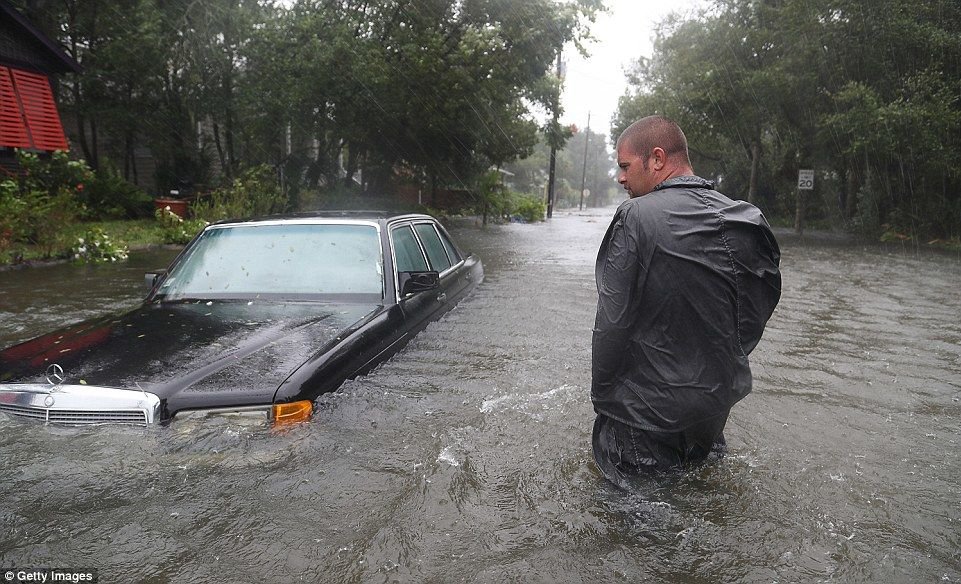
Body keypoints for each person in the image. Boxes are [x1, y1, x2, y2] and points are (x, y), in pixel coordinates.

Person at [591, 115, 781, 482]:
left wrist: (605, 402)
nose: (621, 177)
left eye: (626, 166)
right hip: (711, 414)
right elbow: (757, 308)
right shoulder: (748, 219)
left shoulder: (634, 217)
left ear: (658, 159)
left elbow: (612, 323)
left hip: (640, 421)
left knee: (632, 529)